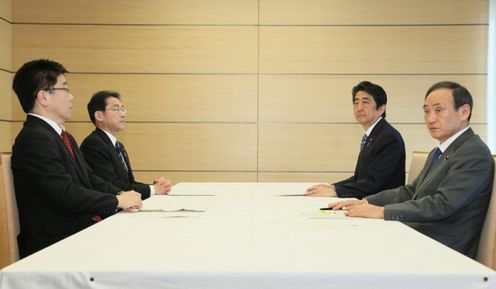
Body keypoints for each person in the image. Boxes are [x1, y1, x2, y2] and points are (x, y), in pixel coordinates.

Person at [328, 81, 494, 258]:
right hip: (420, 233)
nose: (430, 118)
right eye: (426, 111)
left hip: (442, 248)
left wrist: (383, 212)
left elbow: (442, 205)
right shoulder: (439, 151)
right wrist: (366, 202)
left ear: (464, 112)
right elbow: (412, 191)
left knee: (353, 246)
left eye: (438, 110)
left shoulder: (473, 152)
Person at [11, 59, 143, 258]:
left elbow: (89, 178)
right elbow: (65, 194)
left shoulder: (61, 135)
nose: (72, 97)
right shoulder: (34, 139)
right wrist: (116, 200)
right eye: (65, 89)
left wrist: (123, 194)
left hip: (75, 232)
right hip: (55, 244)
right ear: (43, 97)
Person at [306, 81, 405, 198]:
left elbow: (375, 183)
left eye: (365, 102)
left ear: (381, 109)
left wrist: (336, 191)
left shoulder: (388, 138)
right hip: (368, 200)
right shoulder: (374, 134)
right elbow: (359, 178)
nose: (359, 108)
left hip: (381, 205)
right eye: (356, 102)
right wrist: (332, 187)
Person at [80, 90, 172, 199]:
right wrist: (153, 190)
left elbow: (128, 183)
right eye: (116, 109)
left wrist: (154, 187)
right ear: (99, 115)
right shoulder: (93, 144)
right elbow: (113, 185)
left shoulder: (118, 146)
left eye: (123, 109)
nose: (123, 114)